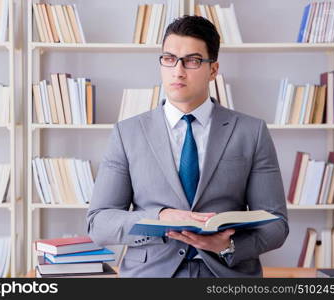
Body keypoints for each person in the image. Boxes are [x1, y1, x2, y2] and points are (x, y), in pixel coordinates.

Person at [86, 15, 288, 278]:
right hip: (151, 274)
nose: (178, 71)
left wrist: (228, 245)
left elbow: (276, 224)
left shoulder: (251, 131)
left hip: (228, 273)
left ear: (213, 70)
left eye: (192, 60)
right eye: (169, 59)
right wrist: (160, 218)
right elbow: (99, 222)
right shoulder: (128, 133)